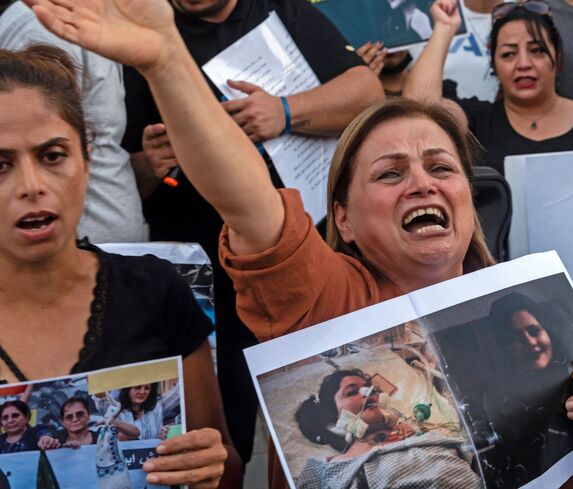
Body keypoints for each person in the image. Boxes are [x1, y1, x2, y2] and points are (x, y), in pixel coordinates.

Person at [22, 3, 573, 489]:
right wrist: (164, 59)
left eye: (440, 166)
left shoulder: (524, 310)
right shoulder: (325, 296)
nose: (421, 182)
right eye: (390, 173)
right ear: (342, 219)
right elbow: (244, 197)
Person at [121, 0, 383, 465]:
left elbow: (367, 93)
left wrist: (284, 111)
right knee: (225, 427)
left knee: (331, 409)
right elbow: (117, 178)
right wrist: (148, 163)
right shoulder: (141, 33)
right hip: (204, 276)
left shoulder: (281, 10)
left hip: (304, 255)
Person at [0, 45, 240, 487]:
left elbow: (225, 464)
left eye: (52, 156)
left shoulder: (155, 291)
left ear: (87, 159)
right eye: (0, 164)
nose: (31, 187)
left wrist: (209, 466)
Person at [0, 1, 146, 244]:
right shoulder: (47, 26)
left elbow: (100, 141)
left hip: (105, 251)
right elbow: (29, 142)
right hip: (65, 247)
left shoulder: (86, 18)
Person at [405, 0, 573, 174]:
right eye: (508, 54)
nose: (523, 64)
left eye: (536, 51)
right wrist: (444, 29)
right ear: (494, 64)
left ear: (558, 57)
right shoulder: (478, 121)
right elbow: (419, 109)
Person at [471, 293, 573, 486]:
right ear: (506, 349)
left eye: (534, 331)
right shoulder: (495, 398)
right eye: (515, 338)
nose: (530, 342)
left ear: (548, 332)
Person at [294, 368, 481, 488]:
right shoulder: (322, 469)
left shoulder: (423, 435)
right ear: (333, 417)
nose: (370, 394)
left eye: (371, 390)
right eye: (351, 392)